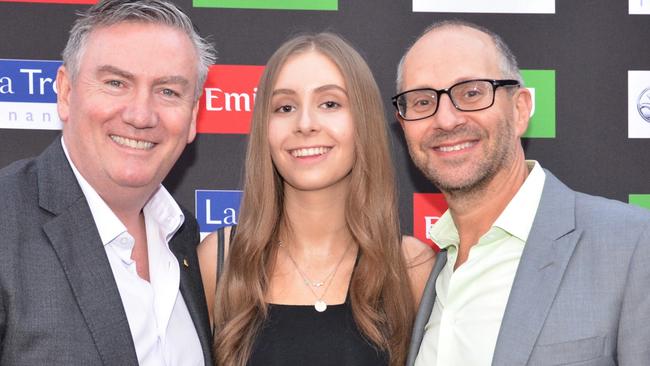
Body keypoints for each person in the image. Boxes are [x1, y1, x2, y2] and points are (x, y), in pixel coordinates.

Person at [394, 20, 650, 366]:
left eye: (471, 93)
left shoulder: (634, 245)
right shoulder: (424, 273)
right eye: (423, 101)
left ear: (520, 109)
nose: (447, 119)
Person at [198, 33, 435, 366]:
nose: (305, 124)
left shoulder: (411, 266)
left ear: (363, 120)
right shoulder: (220, 261)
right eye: (284, 107)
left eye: (330, 104)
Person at [0, 0, 217, 364]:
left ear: (193, 116)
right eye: (116, 83)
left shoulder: (184, 238)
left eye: (168, 91)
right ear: (66, 92)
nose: (140, 115)